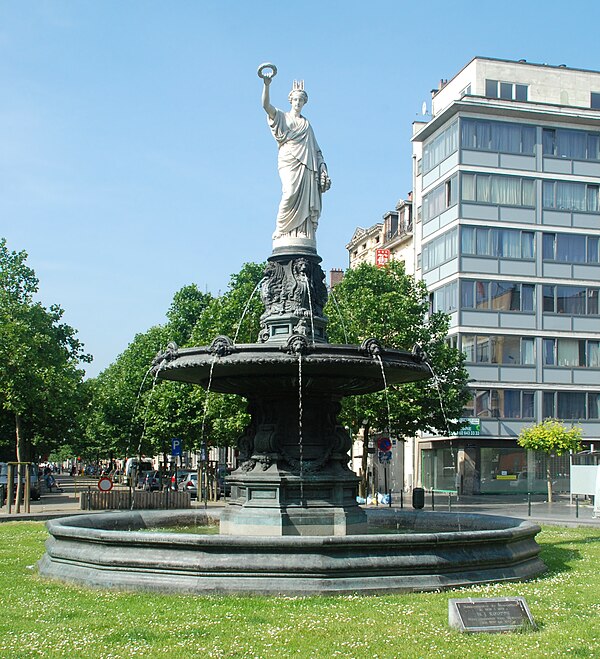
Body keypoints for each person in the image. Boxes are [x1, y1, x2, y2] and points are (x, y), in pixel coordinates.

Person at [260, 65, 331, 246]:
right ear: (290, 100)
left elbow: (317, 151)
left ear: (304, 103)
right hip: (289, 159)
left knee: (305, 199)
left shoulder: (307, 125)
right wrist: (267, 85)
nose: (298, 103)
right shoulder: (283, 117)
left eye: (301, 100)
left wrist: (323, 169)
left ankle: (302, 230)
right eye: (295, 99)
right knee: (290, 192)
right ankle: (282, 229)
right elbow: (265, 106)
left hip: (307, 163)